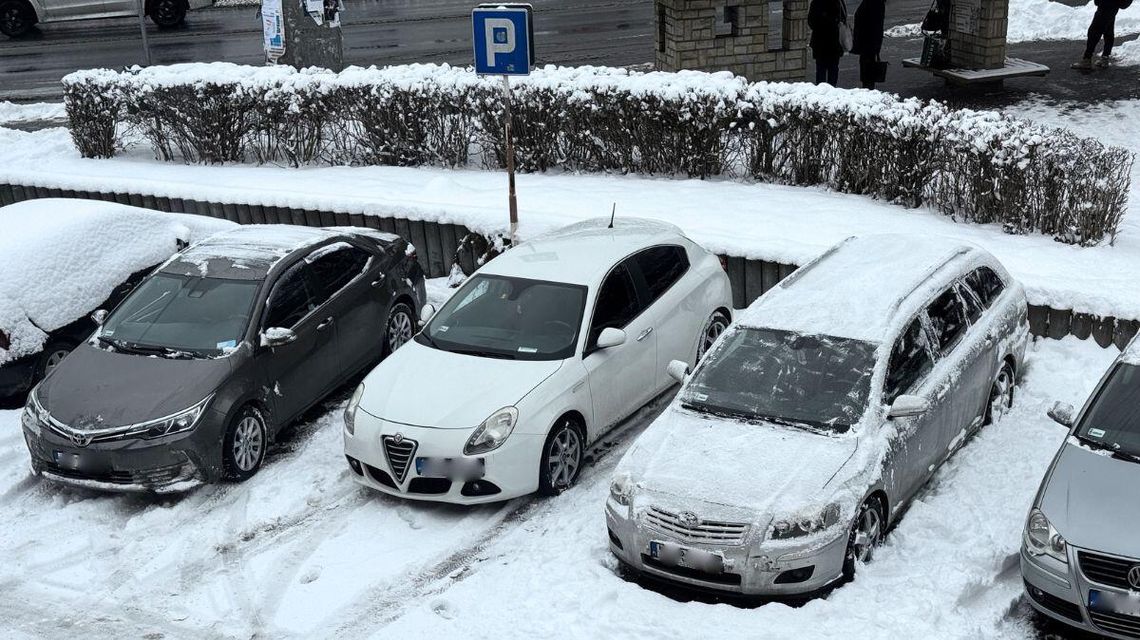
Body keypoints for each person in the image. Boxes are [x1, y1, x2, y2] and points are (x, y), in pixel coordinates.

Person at [1073, 0, 1131, 69]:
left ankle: (1087, 60)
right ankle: (1105, 58)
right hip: (1113, 7)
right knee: (1108, 31)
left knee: (1093, 32)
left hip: (1105, 6)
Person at [809, 0, 849, 85]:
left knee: (821, 70)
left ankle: (822, 94)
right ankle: (831, 92)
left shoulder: (817, 2)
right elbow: (844, 18)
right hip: (834, 42)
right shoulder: (838, 2)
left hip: (820, 42)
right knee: (833, 70)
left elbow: (811, 22)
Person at [851, 0, 886, 89]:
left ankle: (868, 89)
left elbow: (875, 25)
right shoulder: (874, 3)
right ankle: (868, 87)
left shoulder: (872, 3)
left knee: (867, 68)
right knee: (867, 67)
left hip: (868, 42)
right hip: (868, 42)